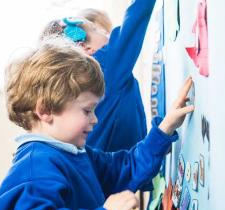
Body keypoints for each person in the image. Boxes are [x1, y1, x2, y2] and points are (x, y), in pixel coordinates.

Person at [0, 39, 194, 210]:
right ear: (45, 111)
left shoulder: (76, 153)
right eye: (87, 110)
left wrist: (164, 129)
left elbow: (126, 168)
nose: (95, 119)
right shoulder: (35, 166)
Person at [41, 0, 157, 154]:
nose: (107, 33)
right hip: (126, 167)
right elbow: (135, 19)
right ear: (85, 48)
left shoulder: (72, 85)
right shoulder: (105, 65)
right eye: (96, 29)